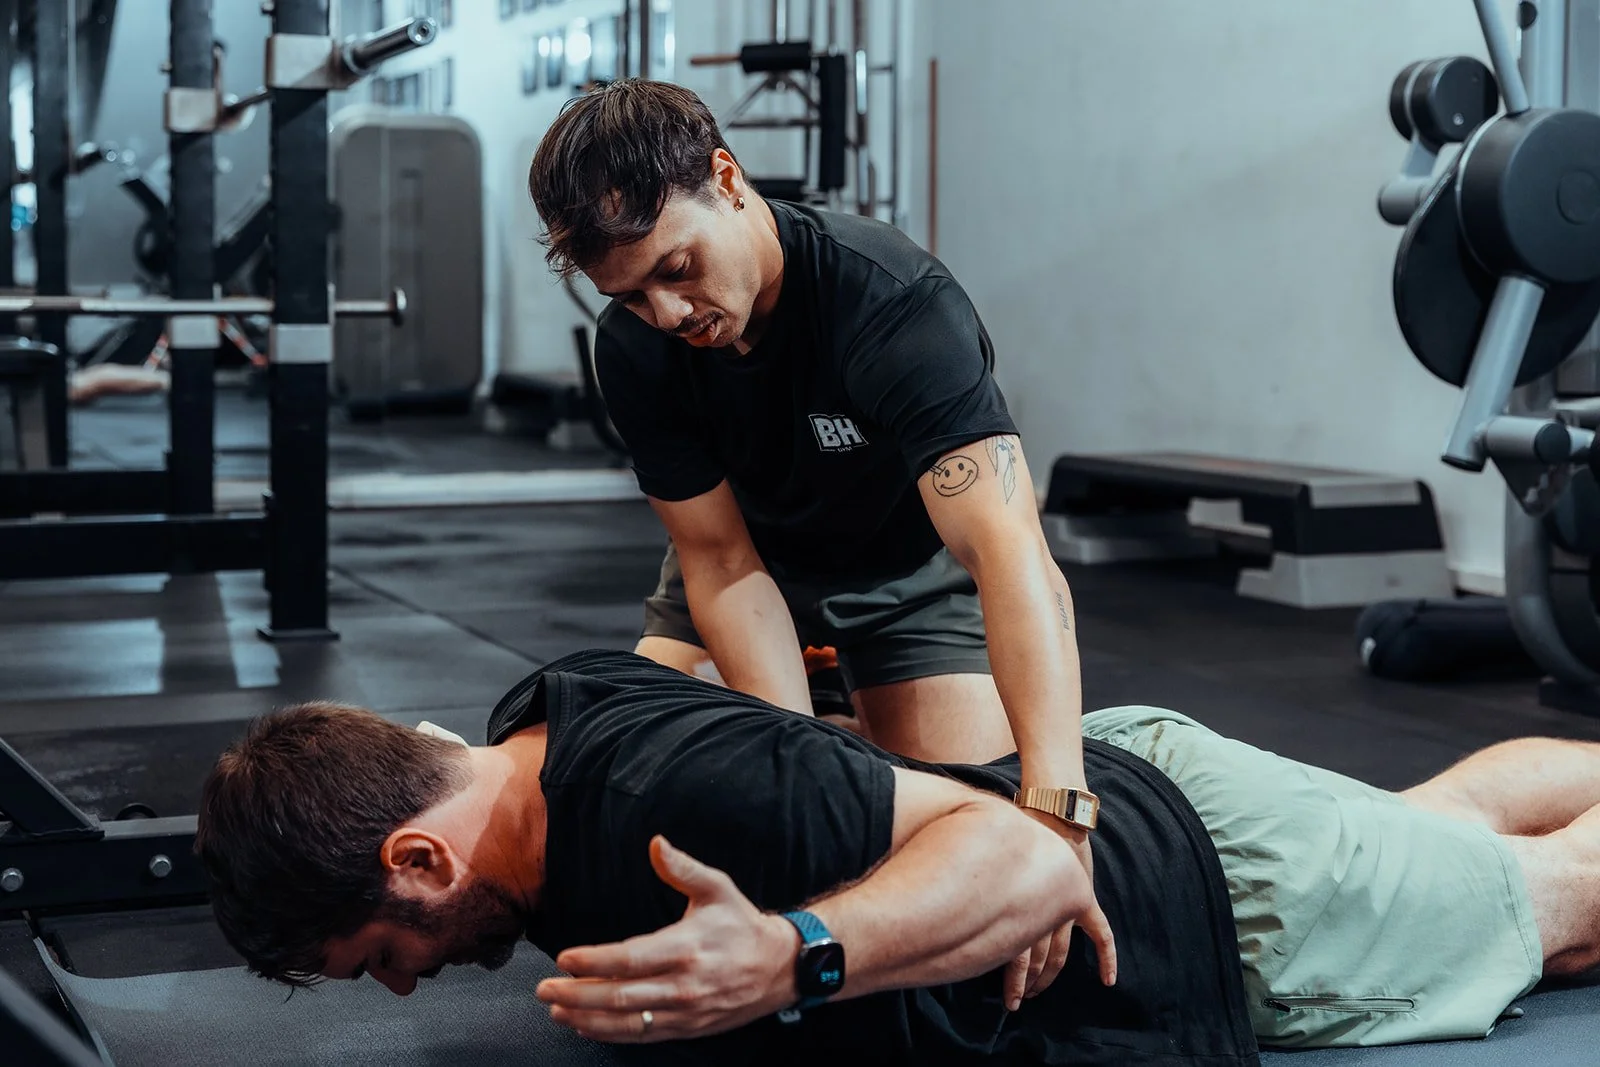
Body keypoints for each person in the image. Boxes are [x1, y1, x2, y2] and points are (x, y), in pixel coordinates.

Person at [197, 650, 1583, 1065]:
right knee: (1444, 825)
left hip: (1231, 902)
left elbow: (1034, 867)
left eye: (384, 953)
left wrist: (796, 950)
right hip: (1149, 774)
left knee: (1562, 905)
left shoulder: (661, 798)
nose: (402, 987)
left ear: (422, 855)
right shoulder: (533, 726)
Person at [525, 78, 1085, 801]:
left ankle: (851, 718)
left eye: (675, 268)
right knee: (642, 780)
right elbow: (719, 557)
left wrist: (1059, 801)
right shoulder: (634, 346)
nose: (664, 313)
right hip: (745, 559)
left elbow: (1007, 549)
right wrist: (790, 760)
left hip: (905, 578)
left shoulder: (893, 303)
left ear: (726, 180)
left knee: (963, 802)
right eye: (629, 294)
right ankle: (824, 716)